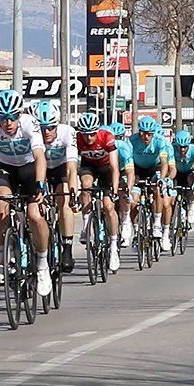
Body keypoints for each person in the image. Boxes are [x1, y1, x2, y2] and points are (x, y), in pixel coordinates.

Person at [0, 90, 51, 295]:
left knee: (34, 216)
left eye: (12, 117)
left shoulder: (29, 124)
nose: (7, 123)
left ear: (20, 114)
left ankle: (43, 265)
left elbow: (40, 157)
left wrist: (40, 184)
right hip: (6, 169)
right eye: (2, 118)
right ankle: (2, 262)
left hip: (28, 169)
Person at [32, 100, 78, 272]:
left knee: (65, 200)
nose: (46, 132)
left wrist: (73, 194)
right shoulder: (33, 135)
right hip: (39, 171)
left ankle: (67, 248)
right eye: (42, 128)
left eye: (51, 127)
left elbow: (72, 168)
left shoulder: (67, 132)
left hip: (60, 170)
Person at [75, 112, 121, 271]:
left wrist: (114, 189)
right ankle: (86, 225)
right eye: (85, 134)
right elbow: (73, 164)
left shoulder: (106, 136)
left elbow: (115, 167)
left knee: (108, 206)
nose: (88, 138)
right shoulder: (78, 139)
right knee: (86, 184)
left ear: (97, 131)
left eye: (92, 134)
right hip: (89, 167)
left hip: (106, 168)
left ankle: (114, 246)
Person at [128, 116, 170, 251]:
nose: (146, 137)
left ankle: (157, 222)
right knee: (133, 201)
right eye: (143, 133)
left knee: (157, 188)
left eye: (149, 134)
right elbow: (128, 162)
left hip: (154, 167)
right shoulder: (132, 140)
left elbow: (164, 163)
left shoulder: (160, 141)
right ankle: (136, 231)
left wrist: (162, 179)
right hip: (138, 168)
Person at [171, 130, 194, 225]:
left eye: (185, 147)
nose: (182, 150)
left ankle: (191, 205)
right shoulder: (172, 149)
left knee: (191, 180)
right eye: (180, 147)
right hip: (177, 172)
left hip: (189, 171)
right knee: (172, 195)